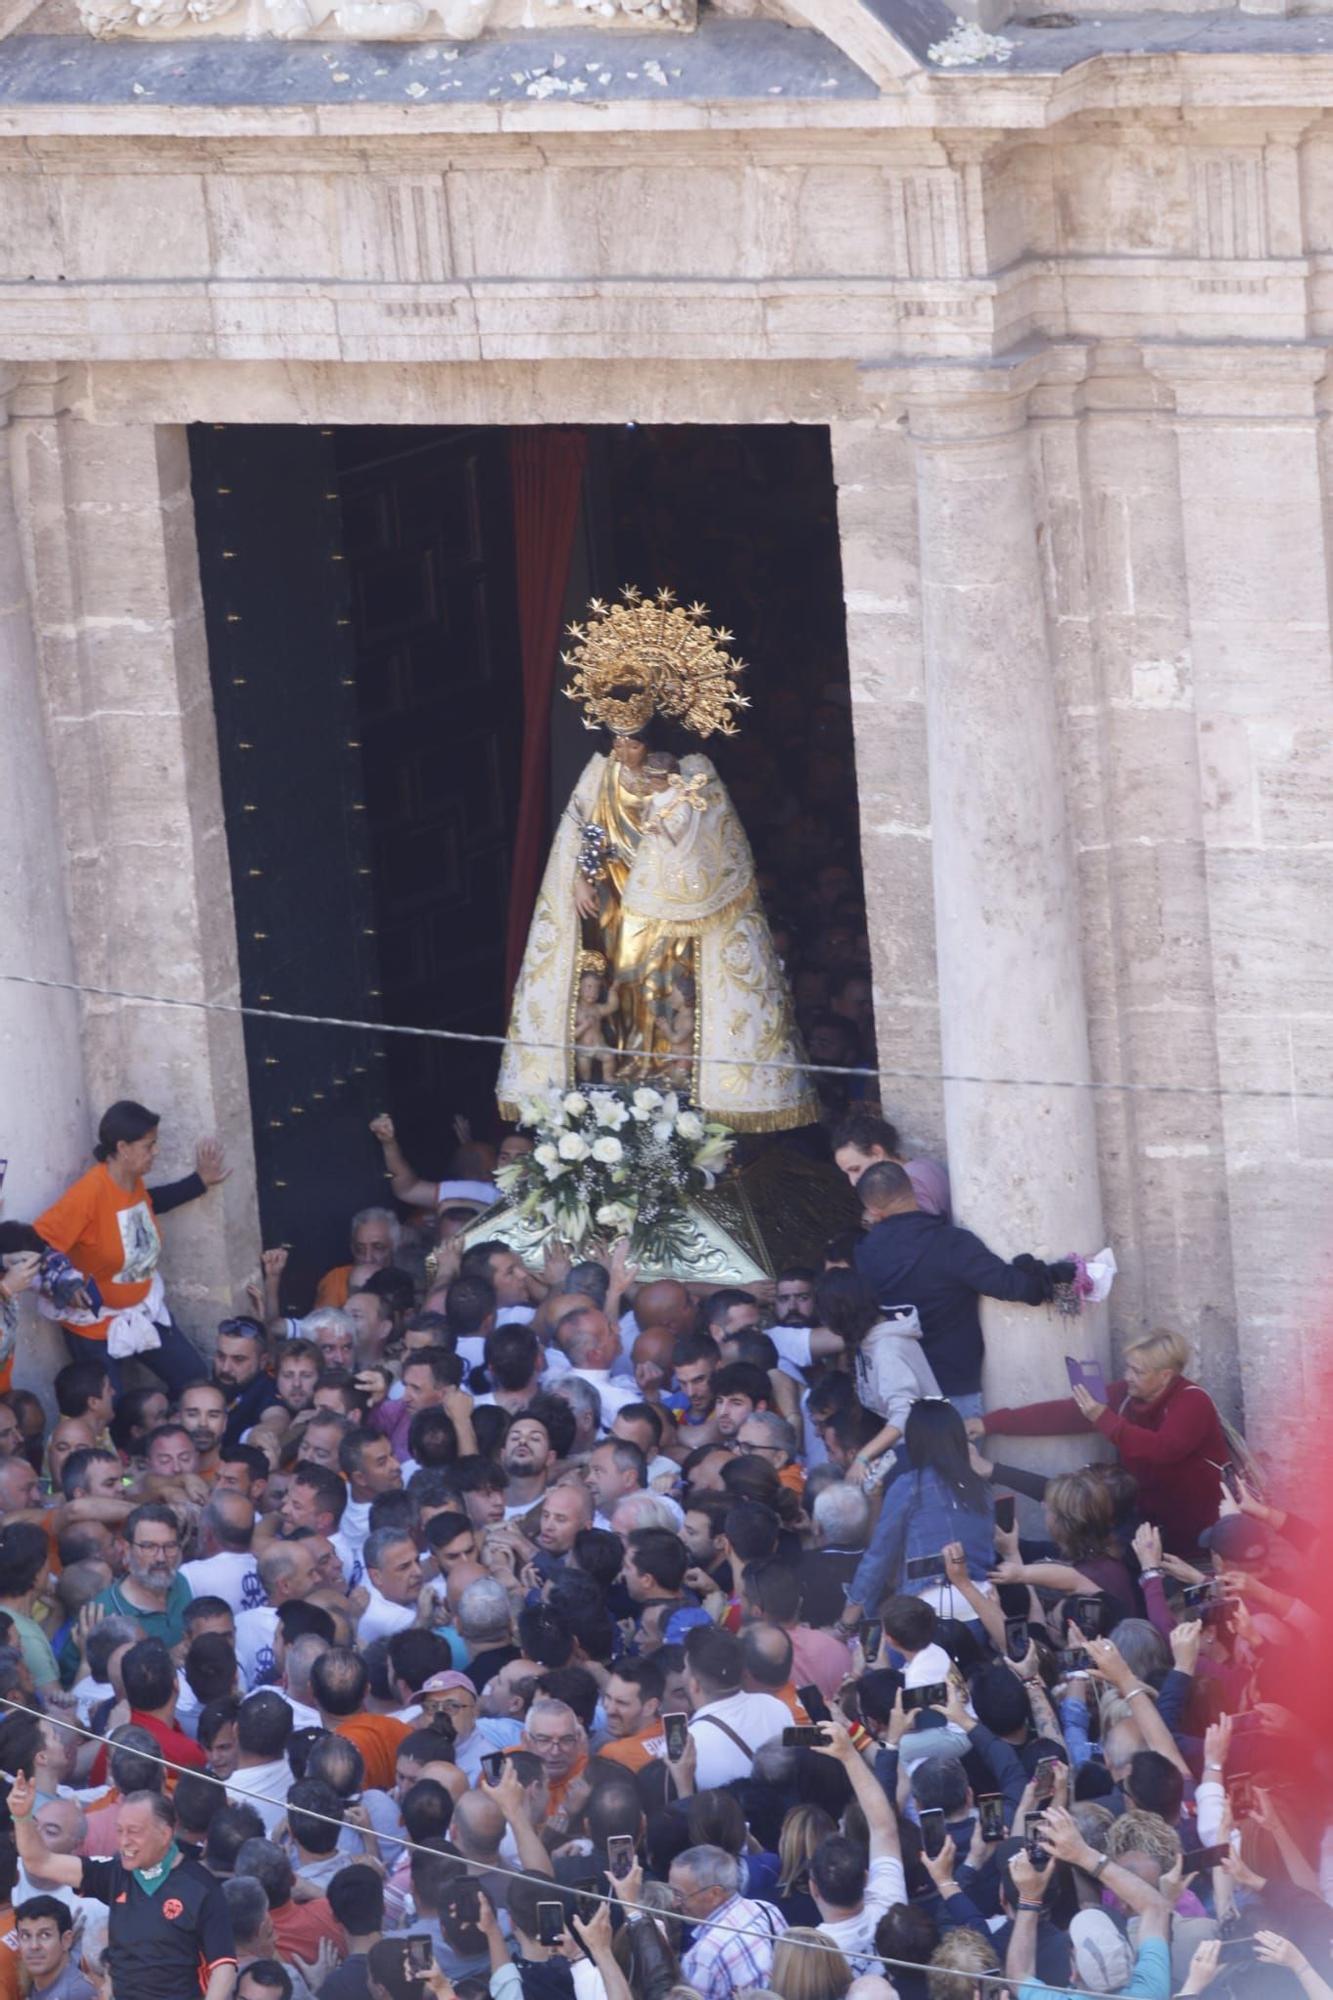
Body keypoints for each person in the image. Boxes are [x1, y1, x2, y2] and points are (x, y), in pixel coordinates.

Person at [498, 594, 816, 1129]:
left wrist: (669, 826)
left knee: (660, 982)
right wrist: (580, 876)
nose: (623, 749)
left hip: (668, 903)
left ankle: (666, 1071)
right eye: (616, 738)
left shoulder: (687, 775)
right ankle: (626, 1072)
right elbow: (585, 831)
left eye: (632, 740)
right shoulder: (599, 775)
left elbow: (705, 842)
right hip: (613, 899)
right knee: (619, 981)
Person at [976, 1327, 1229, 1556]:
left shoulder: (1192, 1401)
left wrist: (1103, 1418)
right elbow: (1064, 1414)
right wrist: (990, 1424)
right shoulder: (1126, 1395)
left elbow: (1164, 1448)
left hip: (1194, 1525)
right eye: (1128, 1367)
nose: (1128, 1376)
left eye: (1138, 1371)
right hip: (1142, 1522)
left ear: (1165, 1376)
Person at [34, 1102, 226, 1394]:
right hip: (94, 1326)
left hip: (142, 1309)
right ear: (123, 1148)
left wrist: (198, 1183)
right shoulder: (88, 1194)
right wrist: (64, 1282)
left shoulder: (132, 1182)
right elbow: (38, 1241)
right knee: (110, 1411)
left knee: (194, 1382)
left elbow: (146, 1204)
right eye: (149, 1146)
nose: (156, 1152)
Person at [852, 1162, 1073, 1413]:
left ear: (872, 1209)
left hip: (897, 1389)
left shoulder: (864, 1254)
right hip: (952, 1386)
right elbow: (1014, 1286)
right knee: (960, 1454)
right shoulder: (951, 1244)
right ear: (912, 1188)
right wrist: (1059, 1274)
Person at [8, 1769, 236, 2000]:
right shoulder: (115, 1875)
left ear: (165, 1834)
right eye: (119, 1831)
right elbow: (40, 1862)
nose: (124, 1841)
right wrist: (22, 1817)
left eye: (134, 1832)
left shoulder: (201, 1887)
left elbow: (224, 1967)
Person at [838, 1400, 994, 1633]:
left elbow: (878, 1557)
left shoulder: (910, 1485)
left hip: (926, 1610)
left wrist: (846, 1623)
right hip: (983, 1605)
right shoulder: (981, 1488)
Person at [14, 1895, 94, 2000]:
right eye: (25, 1936)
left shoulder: (77, 1993)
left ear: (66, 1940)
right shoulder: (35, 1985)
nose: (34, 1946)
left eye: (45, 1935)